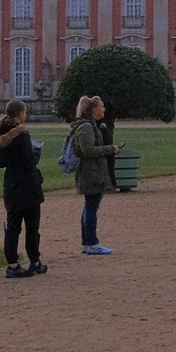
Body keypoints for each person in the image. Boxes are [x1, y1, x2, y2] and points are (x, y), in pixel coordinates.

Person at [0, 100, 45, 278]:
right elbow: (29, 162)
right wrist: (37, 152)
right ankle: (34, 261)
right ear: (20, 113)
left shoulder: (0, 136)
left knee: (13, 227)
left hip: (12, 184)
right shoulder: (22, 135)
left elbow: (1, 163)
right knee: (32, 227)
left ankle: (13, 264)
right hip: (27, 185)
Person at [67, 96, 124, 255]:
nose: (104, 109)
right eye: (102, 106)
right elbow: (88, 151)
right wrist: (110, 149)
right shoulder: (86, 127)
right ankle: (92, 243)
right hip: (90, 172)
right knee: (91, 208)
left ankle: (87, 243)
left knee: (89, 207)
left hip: (92, 171)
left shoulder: (90, 125)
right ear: (94, 110)